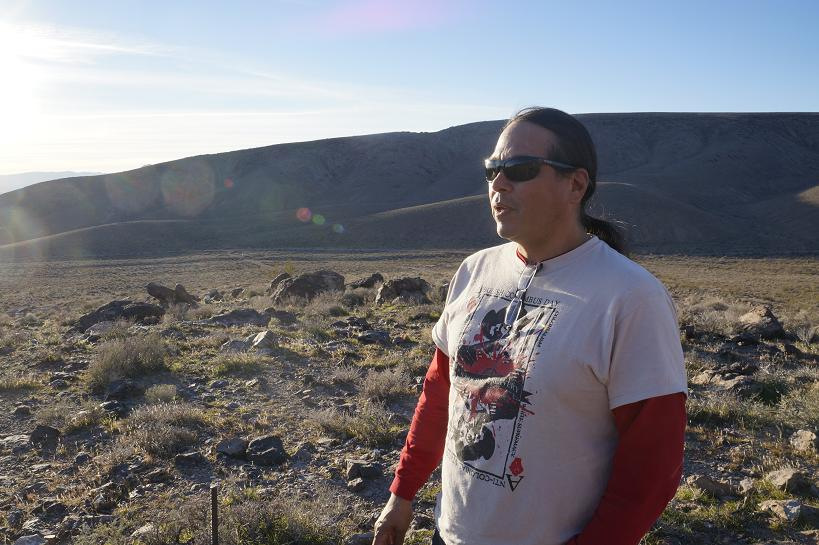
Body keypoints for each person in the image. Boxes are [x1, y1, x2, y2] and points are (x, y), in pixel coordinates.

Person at [372, 107, 688, 545]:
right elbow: (441, 393)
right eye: (492, 170)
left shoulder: (631, 298)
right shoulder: (474, 271)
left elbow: (652, 463)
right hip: (451, 534)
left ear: (575, 185)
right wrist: (402, 493)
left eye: (519, 169)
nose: (498, 185)